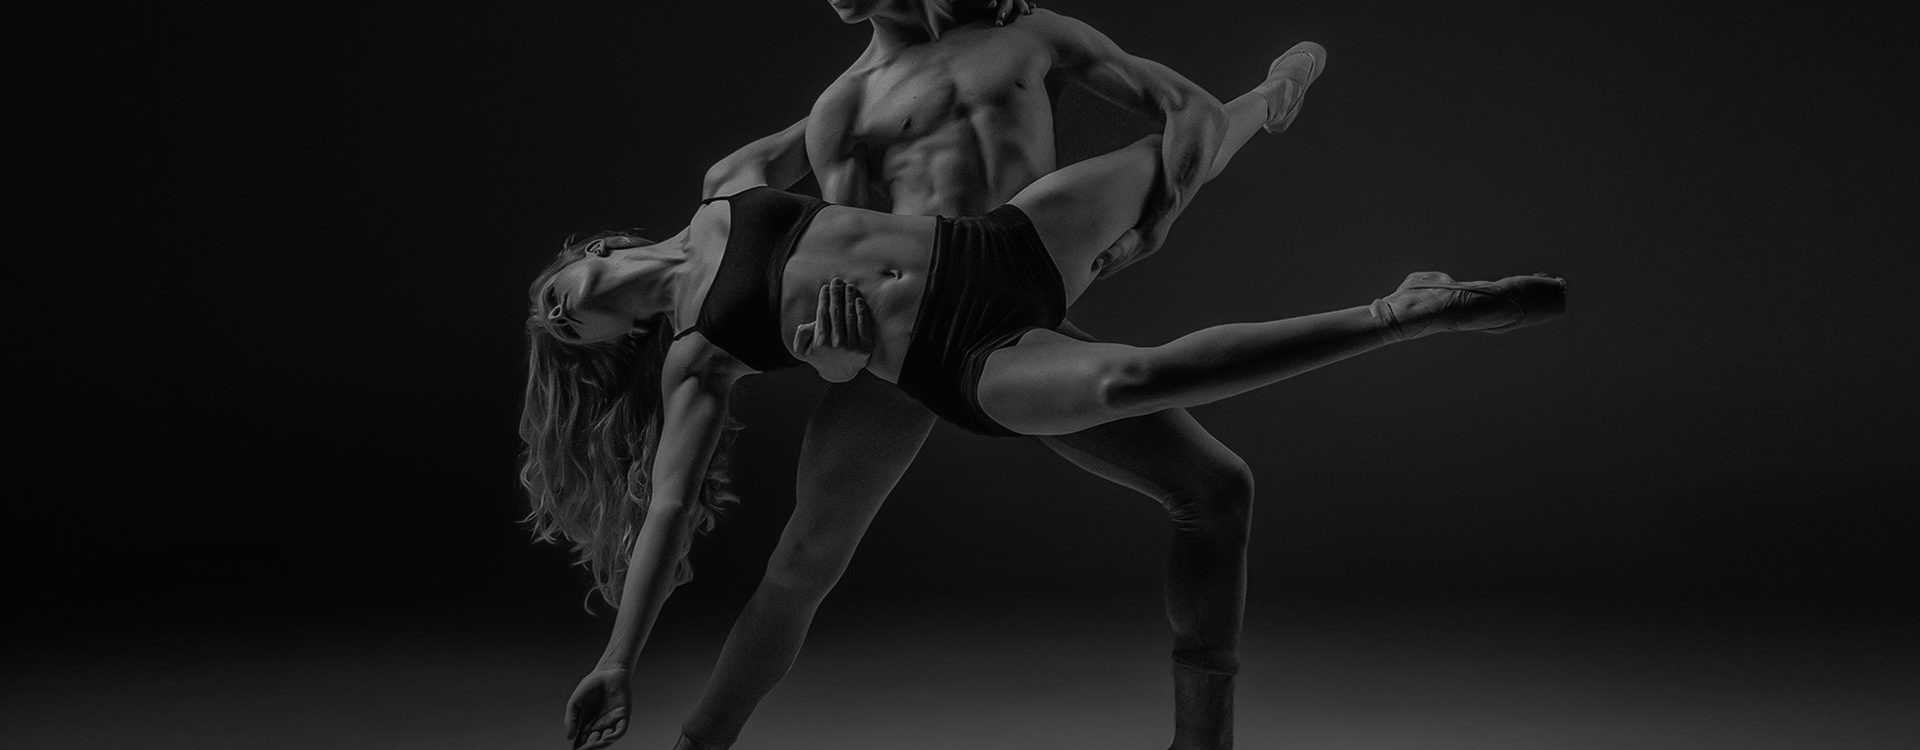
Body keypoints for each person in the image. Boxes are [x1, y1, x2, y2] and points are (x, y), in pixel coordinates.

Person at [522, 36, 1566, 750]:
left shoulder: (726, 184)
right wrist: (618, 661)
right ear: (614, 343)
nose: (560, 316)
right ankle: (1400, 312)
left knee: (1170, 157)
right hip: (947, 356)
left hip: (996, 246)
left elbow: (865, 93)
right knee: (1131, 378)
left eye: (553, 296)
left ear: (588, 255)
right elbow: (669, 506)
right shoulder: (695, 354)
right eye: (562, 334)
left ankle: (1265, 100)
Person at [600, 3, 1325, 748]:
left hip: (1018, 293)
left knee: (1217, 487)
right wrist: (838, 362)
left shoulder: (1027, 33)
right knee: (804, 560)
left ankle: (1203, 741)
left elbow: (1183, 111)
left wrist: (1154, 225)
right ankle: (700, 741)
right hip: (920, 334)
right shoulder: (844, 106)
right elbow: (856, 259)